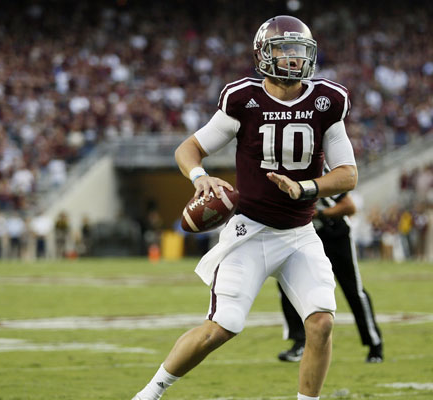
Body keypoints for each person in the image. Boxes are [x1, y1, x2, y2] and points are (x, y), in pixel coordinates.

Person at [132, 15, 357, 400]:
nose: (292, 59)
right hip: (249, 232)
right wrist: (199, 176)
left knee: (320, 323)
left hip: (300, 235)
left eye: (298, 50)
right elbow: (188, 148)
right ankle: (150, 393)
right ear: (263, 55)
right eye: (283, 50)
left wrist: (305, 187)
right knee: (222, 326)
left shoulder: (327, 102)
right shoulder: (243, 99)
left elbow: (348, 174)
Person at [276, 187, 383, 364]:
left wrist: (319, 213)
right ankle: (299, 343)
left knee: (352, 289)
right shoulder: (280, 172)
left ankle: (374, 343)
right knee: (288, 285)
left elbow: (349, 207)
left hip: (334, 234)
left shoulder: (318, 170)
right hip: (305, 236)